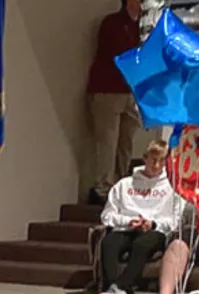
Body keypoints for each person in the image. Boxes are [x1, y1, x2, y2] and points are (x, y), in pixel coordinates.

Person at [96, 138, 183, 294]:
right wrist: (128, 221)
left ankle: (120, 288)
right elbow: (107, 215)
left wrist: (153, 224)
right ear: (145, 158)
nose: (156, 165)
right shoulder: (124, 184)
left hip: (154, 231)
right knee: (109, 242)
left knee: (143, 244)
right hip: (125, 228)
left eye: (161, 161)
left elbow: (175, 220)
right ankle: (112, 289)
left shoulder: (172, 188)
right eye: (153, 160)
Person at [85, 0, 144, 204]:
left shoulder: (144, 27)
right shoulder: (112, 24)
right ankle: (103, 188)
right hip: (108, 89)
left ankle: (121, 185)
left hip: (132, 92)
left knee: (126, 141)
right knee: (108, 141)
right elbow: (120, 55)